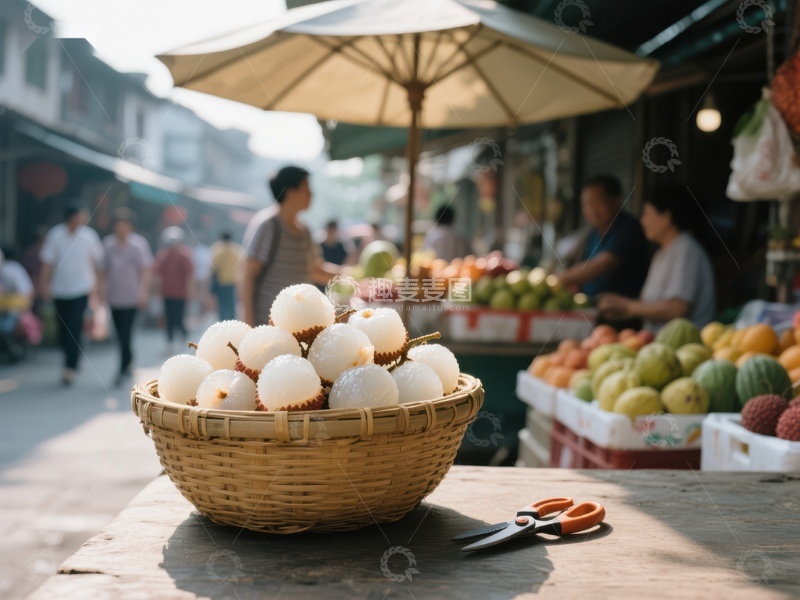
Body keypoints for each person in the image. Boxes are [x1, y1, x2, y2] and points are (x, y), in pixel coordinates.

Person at [597, 184, 715, 332]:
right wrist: (622, 309)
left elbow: (677, 308)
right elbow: (651, 304)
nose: (642, 221)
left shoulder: (687, 250)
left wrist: (627, 306)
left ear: (666, 217)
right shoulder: (662, 253)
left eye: (646, 214)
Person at [241, 166, 341, 326]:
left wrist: (349, 276)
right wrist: (249, 324)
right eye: (306, 188)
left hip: (298, 327)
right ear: (291, 191)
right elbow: (247, 276)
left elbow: (315, 270)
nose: (311, 194)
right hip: (268, 327)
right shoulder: (269, 226)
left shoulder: (305, 231)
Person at [40, 202, 104, 385]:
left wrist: (97, 287)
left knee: (75, 326)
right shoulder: (55, 235)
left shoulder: (89, 236)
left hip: (81, 289)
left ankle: (70, 366)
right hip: (60, 289)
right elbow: (48, 263)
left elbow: (97, 263)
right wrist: (44, 285)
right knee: (62, 329)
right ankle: (71, 358)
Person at [558, 175, 650, 299]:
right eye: (586, 204)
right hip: (590, 304)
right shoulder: (592, 233)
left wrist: (560, 278)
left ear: (616, 201)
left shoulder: (629, 228)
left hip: (620, 307)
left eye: (598, 202)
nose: (592, 210)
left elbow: (604, 263)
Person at [102, 208, 154, 386]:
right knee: (119, 334)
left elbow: (145, 271)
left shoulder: (138, 245)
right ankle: (128, 360)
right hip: (114, 297)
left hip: (132, 297)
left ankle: (123, 368)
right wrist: (100, 291)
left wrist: (143, 293)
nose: (121, 228)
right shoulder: (108, 245)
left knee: (126, 333)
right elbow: (103, 270)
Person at [155, 227, 194, 352]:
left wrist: (190, 291)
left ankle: (184, 336)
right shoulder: (163, 255)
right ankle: (169, 342)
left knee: (179, 318)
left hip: (180, 294)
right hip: (167, 293)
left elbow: (189, 275)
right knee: (168, 318)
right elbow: (157, 274)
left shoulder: (184, 255)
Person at [0, 247, 36, 359]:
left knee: (8, 324)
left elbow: (27, 293)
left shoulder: (12, 270)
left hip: (15, 310)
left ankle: (14, 349)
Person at [210, 231, 242, 321]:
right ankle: (232, 320)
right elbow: (242, 264)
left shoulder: (217, 249)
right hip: (233, 280)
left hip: (221, 281)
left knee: (222, 303)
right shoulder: (236, 249)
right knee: (232, 302)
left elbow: (214, 266)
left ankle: (222, 320)